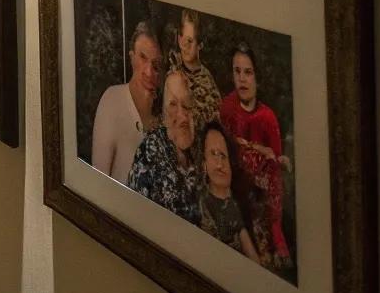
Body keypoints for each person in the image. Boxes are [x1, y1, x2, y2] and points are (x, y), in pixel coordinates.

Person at [220, 43, 292, 268]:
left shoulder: (267, 117)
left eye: (248, 73)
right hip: (234, 178)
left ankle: (275, 237)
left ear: (258, 77)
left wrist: (259, 151)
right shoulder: (228, 107)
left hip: (260, 185)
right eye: (237, 71)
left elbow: (275, 158)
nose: (241, 79)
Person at [90, 21, 161, 185]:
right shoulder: (112, 99)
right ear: (131, 57)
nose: (149, 72)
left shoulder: (165, 113)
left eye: (156, 65)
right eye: (143, 58)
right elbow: (98, 180)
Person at [127, 70, 199, 223]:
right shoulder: (149, 151)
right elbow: (136, 216)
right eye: (173, 104)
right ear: (162, 115)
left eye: (186, 105)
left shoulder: (201, 152)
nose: (182, 115)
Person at [199, 120, 259, 262]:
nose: (220, 164)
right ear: (204, 165)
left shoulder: (240, 208)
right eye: (213, 154)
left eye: (223, 156)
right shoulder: (197, 204)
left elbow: (254, 261)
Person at [168, 9, 221, 131]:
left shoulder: (208, 82)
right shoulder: (172, 72)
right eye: (182, 38)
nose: (185, 46)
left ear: (200, 45)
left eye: (190, 41)